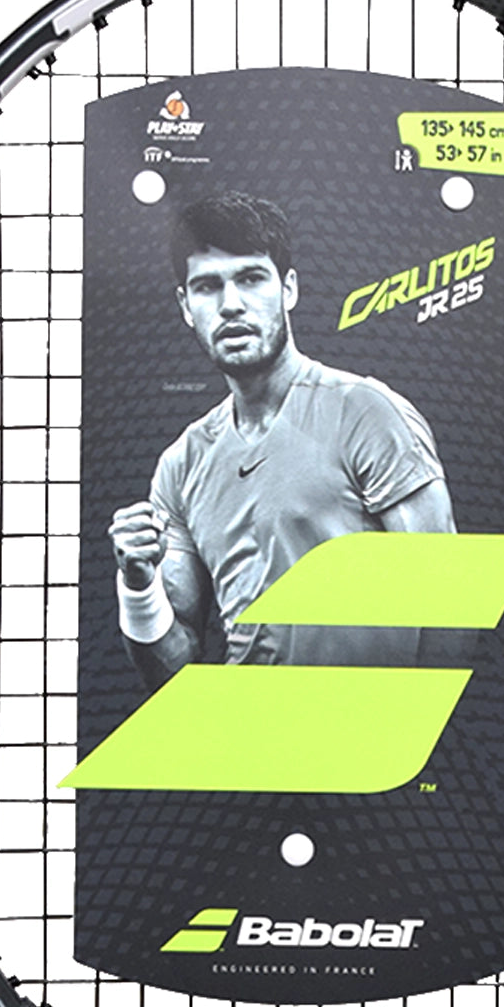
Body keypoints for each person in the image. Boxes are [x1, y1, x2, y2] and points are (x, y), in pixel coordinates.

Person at [109, 192, 455, 690]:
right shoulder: (180, 465)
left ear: (288, 288)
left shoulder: (366, 413)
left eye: (251, 278)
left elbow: (448, 603)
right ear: (185, 306)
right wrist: (138, 588)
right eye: (207, 286)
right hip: (248, 736)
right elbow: (175, 673)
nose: (231, 304)